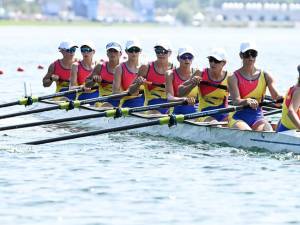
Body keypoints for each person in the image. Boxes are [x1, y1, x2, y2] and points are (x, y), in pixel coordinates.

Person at [228, 41, 282, 131]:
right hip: (239, 117)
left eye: (253, 54)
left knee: (268, 130)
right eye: (247, 54)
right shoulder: (233, 77)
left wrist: (281, 98)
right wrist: (247, 101)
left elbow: (276, 98)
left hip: (258, 117)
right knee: (247, 132)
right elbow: (236, 101)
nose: (251, 58)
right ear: (241, 55)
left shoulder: (265, 75)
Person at [179, 48, 229, 122]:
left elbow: (237, 99)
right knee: (215, 123)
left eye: (216, 61)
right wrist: (192, 84)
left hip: (223, 114)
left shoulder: (230, 77)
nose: (212, 63)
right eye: (211, 60)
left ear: (224, 63)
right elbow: (180, 92)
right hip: (203, 113)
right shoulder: (200, 73)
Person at [128, 40, 173, 114]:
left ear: (170, 53)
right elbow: (130, 91)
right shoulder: (146, 67)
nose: (160, 54)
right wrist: (138, 84)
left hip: (170, 106)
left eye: (164, 51)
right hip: (151, 107)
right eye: (158, 51)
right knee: (156, 113)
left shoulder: (174, 69)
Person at [85, 41, 122, 107]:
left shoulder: (124, 68)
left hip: (120, 100)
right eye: (110, 51)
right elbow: (87, 85)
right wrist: (93, 81)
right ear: (107, 53)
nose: (112, 53)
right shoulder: (100, 67)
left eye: (115, 51)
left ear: (120, 54)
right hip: (103, 101)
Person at [165, 46, 197, 114]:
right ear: (178, 58)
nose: (187, 60)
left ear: (193, 58)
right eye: (184, 57)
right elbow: (170, 98)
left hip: (194, 109)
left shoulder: (197, 73)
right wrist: (184, 99)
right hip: (176, 109)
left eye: (190, 57)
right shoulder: (170, 74)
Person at [112, 39, 144, 107]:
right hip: (127, 103)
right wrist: (131, 91)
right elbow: (115, 95)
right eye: (131, 50)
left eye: (136, 50)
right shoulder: (119, 68)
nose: (134, 53)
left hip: (144, 104)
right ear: (126, 51)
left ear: (140, 51)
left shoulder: (145, 68)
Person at [276, 65, 300, 132]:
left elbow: (283, 116)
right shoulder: (299, 92)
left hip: (283, 128)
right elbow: (290, 112)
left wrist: (277, 131)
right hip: (290, 132)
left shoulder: (292, 88)